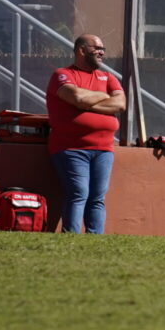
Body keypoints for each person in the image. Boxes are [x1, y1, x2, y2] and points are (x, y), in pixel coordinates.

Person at [46, 34, 125, 234]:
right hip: (71, 148)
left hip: (104, 149)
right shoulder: (62, 74)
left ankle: (94, 238)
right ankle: (72, 236)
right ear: (81, 50)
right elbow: (76, 97)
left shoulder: (108, 77)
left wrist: (87, 102)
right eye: (97, 48)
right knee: (79, 192)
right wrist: (105, 98)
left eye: (103, 49)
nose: (101, 53)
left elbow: (120, 104)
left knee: (97, 197)